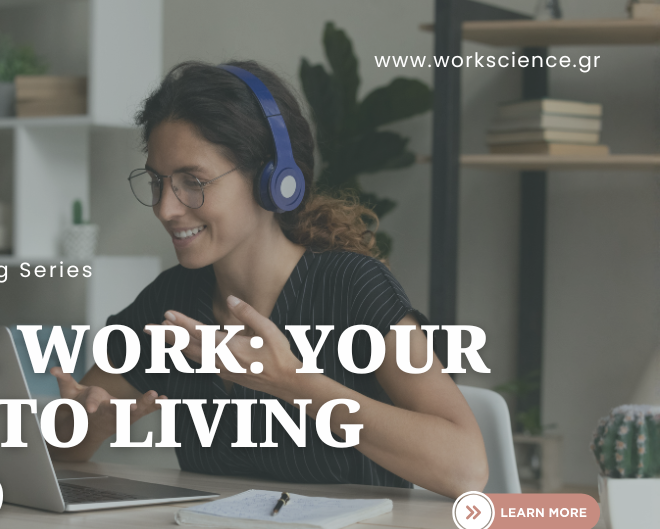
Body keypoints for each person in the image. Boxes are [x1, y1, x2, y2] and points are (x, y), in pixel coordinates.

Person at [49, 60, 488, 499]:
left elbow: (465, 469)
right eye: (158, 182)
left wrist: (291, 380)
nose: (166, 209)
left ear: (273, 181)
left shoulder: (353, 287)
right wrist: (83, 426)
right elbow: (58, 447)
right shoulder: (171, 302)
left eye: (192, 182)